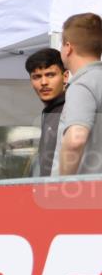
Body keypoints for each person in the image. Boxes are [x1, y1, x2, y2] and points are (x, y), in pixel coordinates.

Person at [57, 13, 102, 175]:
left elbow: (75, 140)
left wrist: (62, 183)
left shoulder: (82, 84)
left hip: (87, 188)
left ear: (68, 47)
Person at [24, 48, 68, 176]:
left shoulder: (72, 107)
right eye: (37, 77)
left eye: (50, 75)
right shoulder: (51, 111)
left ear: (65, 76)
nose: (43, 82)